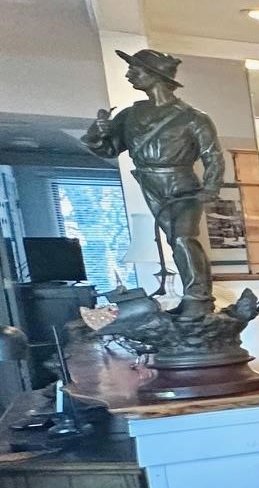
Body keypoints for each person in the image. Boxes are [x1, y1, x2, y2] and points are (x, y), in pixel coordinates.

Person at [82, 49, 226, 316]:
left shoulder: (193, 118)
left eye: (135, 70)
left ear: (155, 75)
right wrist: (98, 132)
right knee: (173, 240)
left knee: (183, 238)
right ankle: (195, 297)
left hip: (182, 182)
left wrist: (211, 186)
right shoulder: (129, 115)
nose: (128, 75)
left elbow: (212, 156)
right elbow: (110, 150)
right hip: (149, 180)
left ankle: (198, 298)